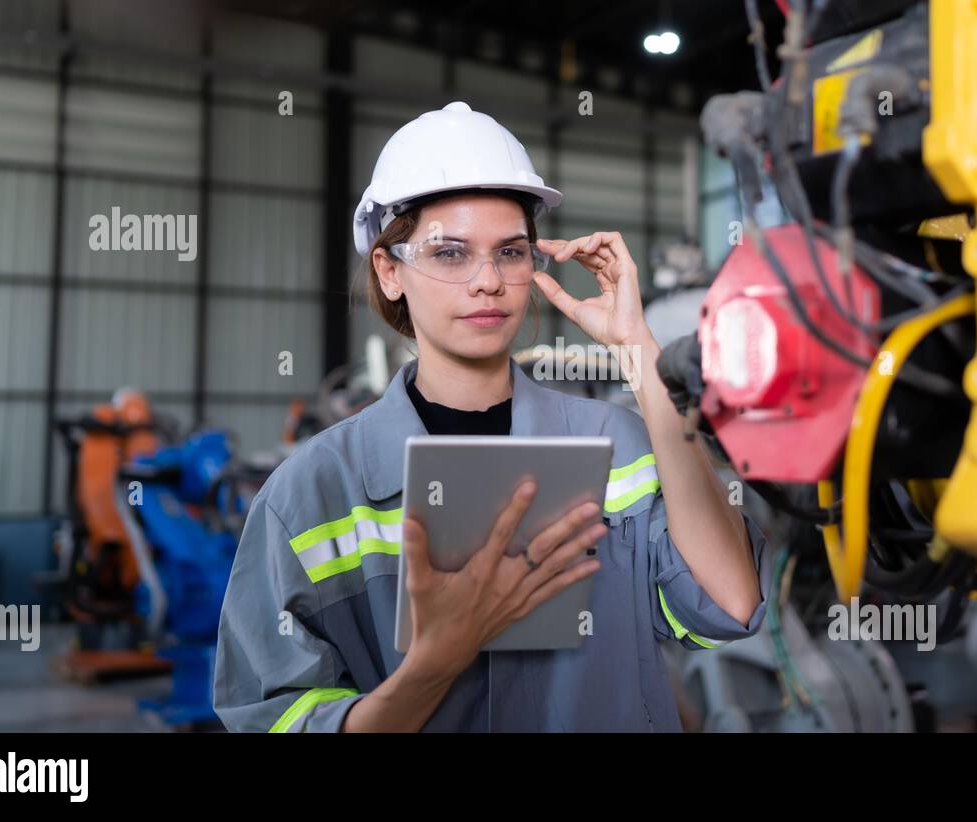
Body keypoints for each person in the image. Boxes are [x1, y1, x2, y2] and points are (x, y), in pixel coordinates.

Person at [213, 101, 768, 732]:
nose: (488, 281)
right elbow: (273, 717)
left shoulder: (621, 447)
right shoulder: (312, 494)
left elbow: (729, 603)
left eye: (510, 252)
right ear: (389, 271)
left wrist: (638, 350)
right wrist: (433, 666)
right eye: (450, 254)